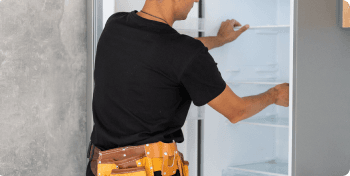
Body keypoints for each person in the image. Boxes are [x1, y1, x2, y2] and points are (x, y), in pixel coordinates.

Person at [86, 0, 289, 176]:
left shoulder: (115, 25)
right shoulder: (186, 53)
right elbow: (237, 111)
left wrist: (219, 41)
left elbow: (165, 52)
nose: (196, 1)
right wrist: (274, 95)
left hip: (100, 167)